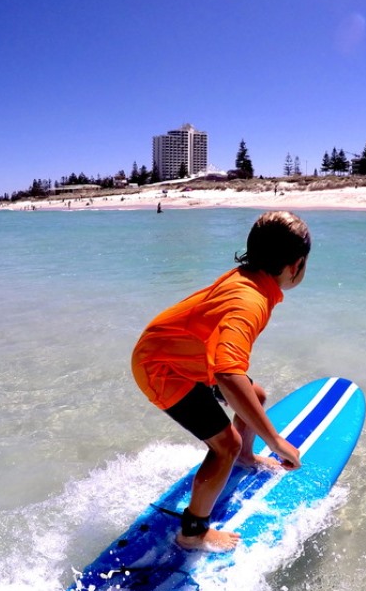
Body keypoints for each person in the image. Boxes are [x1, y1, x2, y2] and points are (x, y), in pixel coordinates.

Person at [131, 211, 309, 552]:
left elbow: (229, 372)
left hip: (185, 355)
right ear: (296, 265)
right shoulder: (251, 301)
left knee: (255, 394)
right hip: (162, 367)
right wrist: (275, 440)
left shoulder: (252, 280)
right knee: (222, 445)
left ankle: (245, 456)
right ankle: (193, 533)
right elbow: (228, 374)